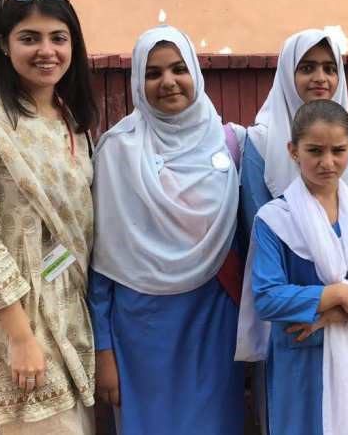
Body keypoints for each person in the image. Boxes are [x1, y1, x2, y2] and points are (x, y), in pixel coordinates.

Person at [0, 0, 98, 433]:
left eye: (58, 37)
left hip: (73, 308)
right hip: (21, 316)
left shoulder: (75, 122)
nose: (46, 50)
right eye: (29, 38)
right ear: (3, 45)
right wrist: (21, 338)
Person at [87, 24, 245, 434]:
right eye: (153, 73)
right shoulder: (117, 150)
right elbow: (102, 264)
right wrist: (104, 351)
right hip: (141, 329)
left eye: (179, 69)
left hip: (214, 319)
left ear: (196, 73)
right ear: (138, 82)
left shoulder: (232, 144)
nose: (168, 82)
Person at [241, 99, 348, 435]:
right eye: (314, 151)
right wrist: (340, 292)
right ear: (293, 150)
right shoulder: (275, 220)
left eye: (338, 150)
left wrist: (329, 317)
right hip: (301, 364)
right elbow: (268, 298)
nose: (327, 162)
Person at [239, 29, 348, 237]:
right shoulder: (261, 140)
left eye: (329, 69)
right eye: (307, 68)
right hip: (281, 259)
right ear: (288, 74)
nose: (320, 78)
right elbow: (257, 219)